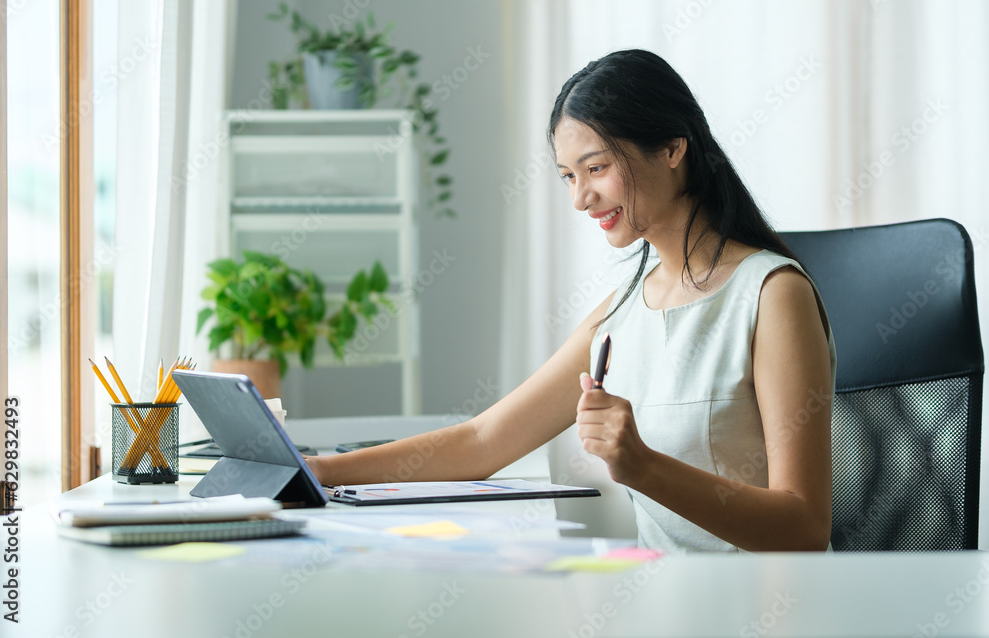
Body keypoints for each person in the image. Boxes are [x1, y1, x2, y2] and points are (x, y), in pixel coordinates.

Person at [305, 49, 836, 553]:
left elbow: (804, 527)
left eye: (597, 168)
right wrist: (319, 470)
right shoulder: (624, 308)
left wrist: (644, 467)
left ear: (674, 149)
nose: (580, 198)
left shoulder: (772, 294)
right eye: (568, 177)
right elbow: (485, 440)